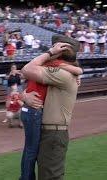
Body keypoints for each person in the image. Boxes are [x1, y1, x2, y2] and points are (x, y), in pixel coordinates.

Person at [19, 40, 83, 180]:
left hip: (53, 133)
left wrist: (50, 53)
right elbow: (31, 83)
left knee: (50, 175)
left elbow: (26, 70)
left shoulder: (62, 73)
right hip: (49, 130)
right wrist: (24, 96)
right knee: (44, 170)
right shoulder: (63, 71)